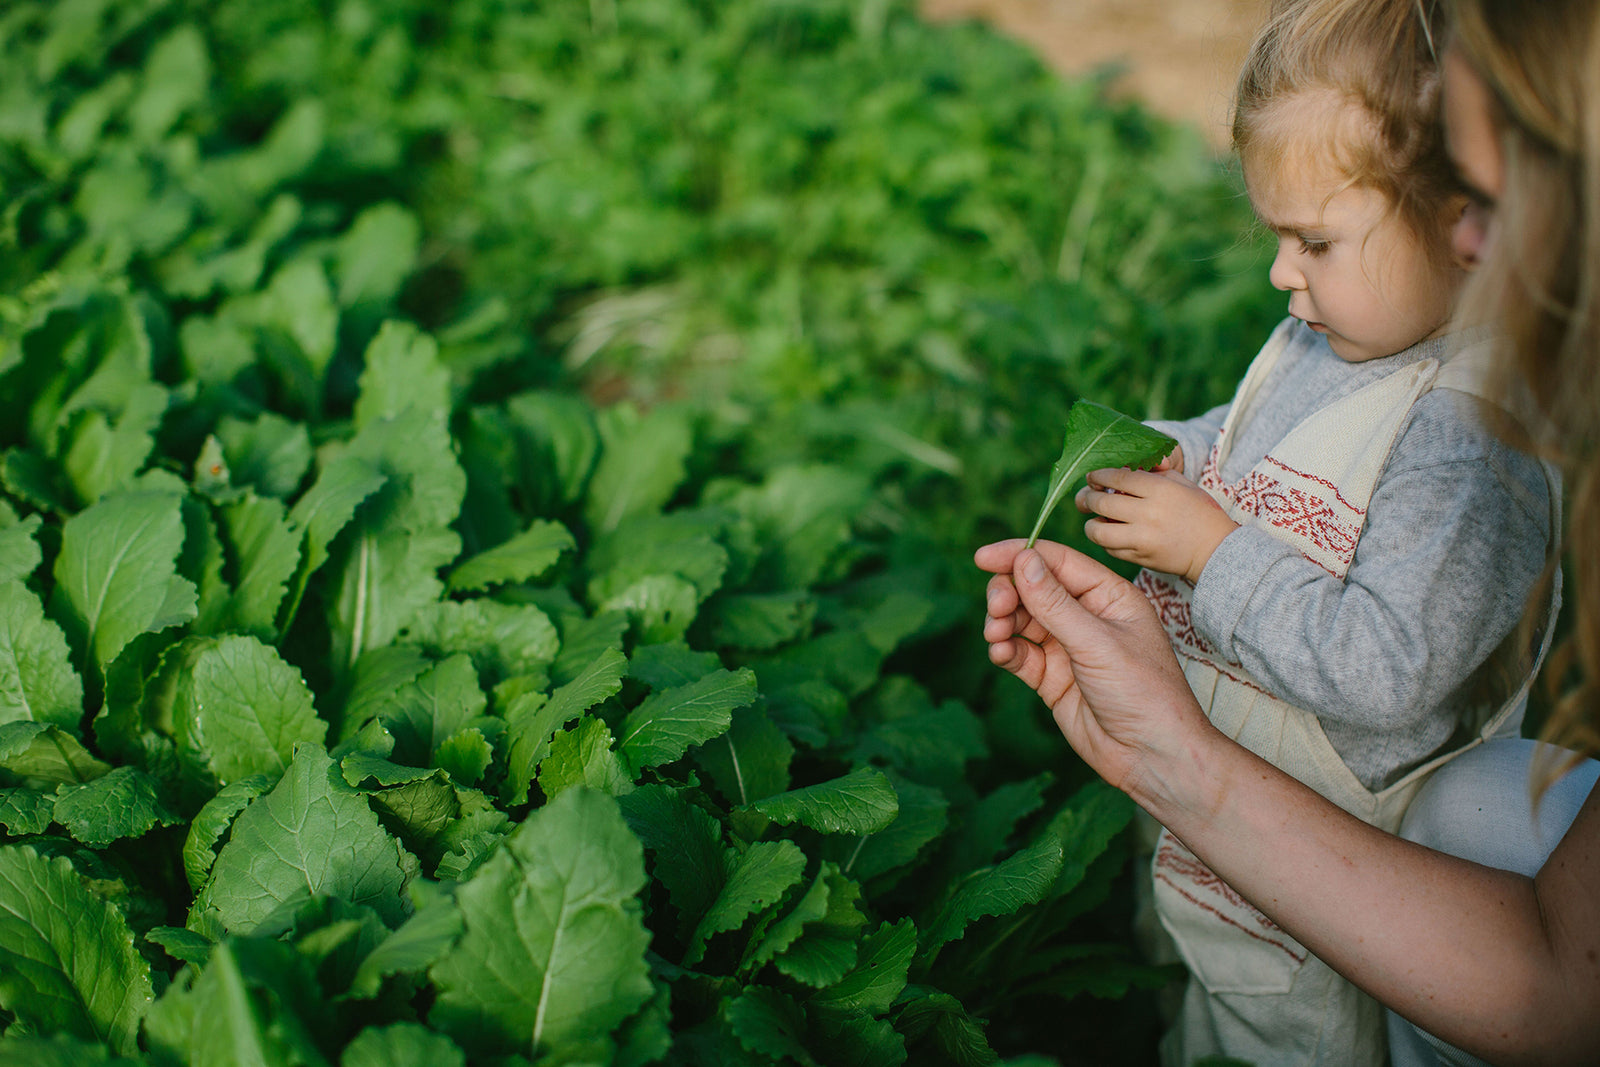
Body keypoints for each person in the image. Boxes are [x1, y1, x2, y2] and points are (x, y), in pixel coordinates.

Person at [976, 0, 1600, 1061]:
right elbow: (1262, 434)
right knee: (1208, 976)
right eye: (1274, 234)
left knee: (1294, 1028)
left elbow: (1388, 668)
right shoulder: (1335, 333)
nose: (1280, 272)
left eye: (1313, 239)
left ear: (1469, 230)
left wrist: (1214, 552)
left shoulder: (1473, 447)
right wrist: (1179, 452)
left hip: (1348, 825)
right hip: (1232, 775)